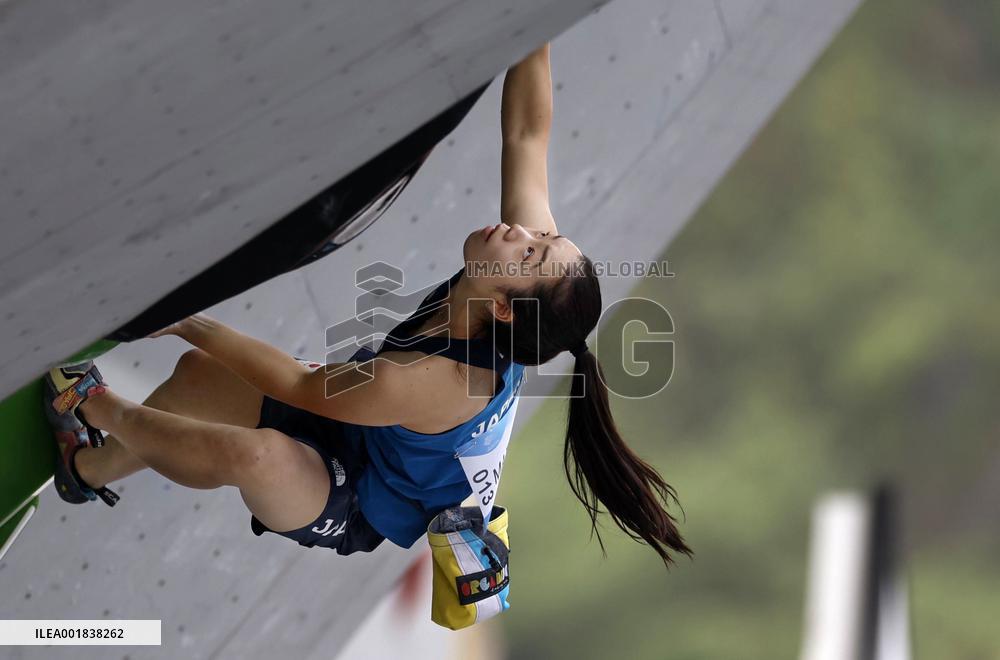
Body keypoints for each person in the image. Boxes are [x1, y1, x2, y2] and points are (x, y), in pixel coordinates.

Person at [44, 44, 692, 565]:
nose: (523, 232)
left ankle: (91, 408)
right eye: (542, 235)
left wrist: (187, 321)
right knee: (196, 384)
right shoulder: (507, 282)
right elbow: (527, 135)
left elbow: (299, 384)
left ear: (503, 310)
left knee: (258, 454)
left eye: (530, 254)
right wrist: (529, 23)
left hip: (354, 496)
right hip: (365, 423)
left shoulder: (437, 380)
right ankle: (88, 467)